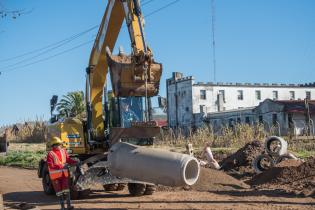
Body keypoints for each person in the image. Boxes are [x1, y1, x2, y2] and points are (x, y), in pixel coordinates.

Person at [47, 137, 78, 210]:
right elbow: (50, 165)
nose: (59, 146)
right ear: (53, 145)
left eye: (60, 144)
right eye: (57, 144)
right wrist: (61, 166)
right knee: (59, 192)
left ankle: (69, 205)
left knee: (66, 190)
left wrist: (75, 162)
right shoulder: (50, 154)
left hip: (64, 175)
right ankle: (62, 207)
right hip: (56, 177)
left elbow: (68, 159)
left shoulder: (63, 151)